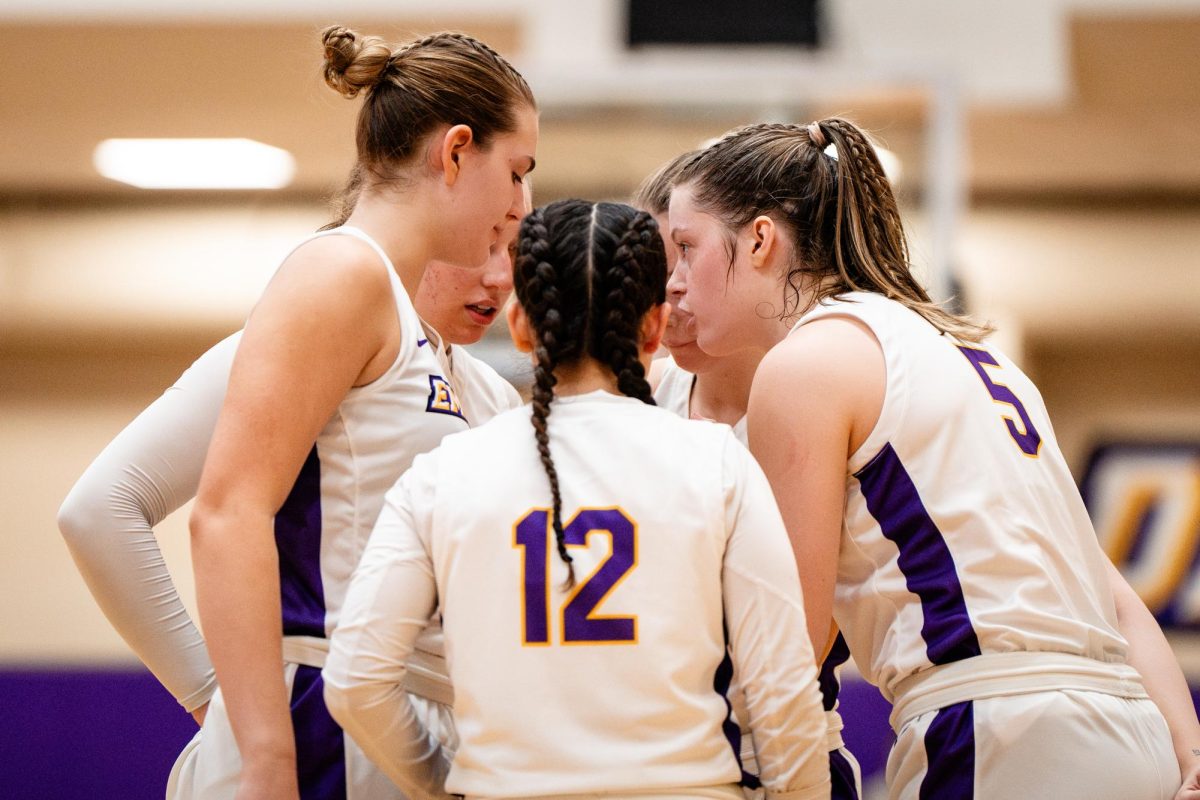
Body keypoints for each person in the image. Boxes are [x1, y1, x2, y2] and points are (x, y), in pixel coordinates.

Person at [667, 118, 1195, 799]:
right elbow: (1114, 598)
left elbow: (790, 640)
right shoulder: (981, 356)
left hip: (999, 729)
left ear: (761, 240)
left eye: (686, 248)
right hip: (1136, 728)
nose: (674, 281)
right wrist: (1190, 754)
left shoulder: (804, 365)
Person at [322, 200, 831, 800]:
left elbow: (355, 680)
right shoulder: (716, 463)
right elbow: (784, 692)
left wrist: (444, 784)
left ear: (518, 326)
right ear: (655, 326)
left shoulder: (441, 475)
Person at [56, 192, 532, 793]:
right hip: (324, 717)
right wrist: (218, 699)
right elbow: (100, 509)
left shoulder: (491, 394)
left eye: (513, 248)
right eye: (487, 241)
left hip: (447, 733)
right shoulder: (295, 340)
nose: (500, 274)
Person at [184, 24, 535, 800]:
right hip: (319, 713)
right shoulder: (340, 270)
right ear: (455, 152)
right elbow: (226, 513)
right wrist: (267, 756)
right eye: (516, 172)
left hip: (400, 716)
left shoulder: (425, 335)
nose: (521, 202)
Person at [636, 156, 862, 800]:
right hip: (664, 753)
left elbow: (808, 626)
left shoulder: (823, 387)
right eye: (652, 272)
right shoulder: (638, 402)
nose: (671, 290)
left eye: (684, 258)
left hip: (791, 743)